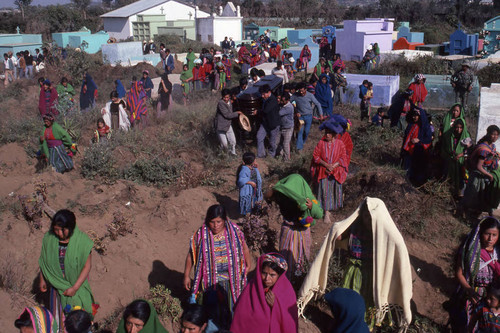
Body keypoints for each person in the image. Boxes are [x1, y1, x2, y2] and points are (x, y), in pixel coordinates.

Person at [297, 198, 413, 331]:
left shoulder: (381, 231)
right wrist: (338, 228)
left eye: (371, 217)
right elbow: (339, 237)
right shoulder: (355, 226)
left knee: (366, 300)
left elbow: (396, 243)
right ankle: (344, 323)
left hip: (369, 273)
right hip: (352, 269)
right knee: (349, 299)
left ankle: (364, 326)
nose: (368, 220)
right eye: (365, 216)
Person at [183, 205, 251, 330]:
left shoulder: (234, 231)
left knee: (233, 308)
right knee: (212, 311)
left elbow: (244, 247)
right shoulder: (201, 234)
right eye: (212, 222)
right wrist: (186, 275)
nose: (215, 225)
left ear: (224, 220)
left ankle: (233, 329)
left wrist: (248, 263)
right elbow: (191, 255)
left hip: (232, 279)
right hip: (210, 281)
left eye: (218, 222)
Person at [39, 210, 97, 331]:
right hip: (57, 286)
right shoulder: (49, 239)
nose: (59, 233)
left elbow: (87, 267)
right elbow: (44, 262)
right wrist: (42, 279)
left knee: (78, 322)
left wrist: (74, 288)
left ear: (71, 227)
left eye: (62, 230)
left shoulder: (82, 242)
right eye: (56, 229)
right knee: (59, 320)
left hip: (77, 285)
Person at [267, 174, 323, 279]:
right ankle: (289, 277)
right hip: (290, 228)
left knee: (298, 254)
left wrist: (311, 206)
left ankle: (296, 277)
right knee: (290, 254)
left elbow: (319, 214)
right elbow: (268, 195)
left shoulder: (306, 199)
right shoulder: (282, 195)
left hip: (298, 229)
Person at [231, 253, 298, 333]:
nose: (267, 278)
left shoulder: (287, 292)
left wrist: (276, 305)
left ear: (279, 275)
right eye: (264, 273)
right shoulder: (252, 288)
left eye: (272, 275)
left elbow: (290, 321)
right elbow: (240, 314)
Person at [454, 217, 500, 332]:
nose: (490, 238)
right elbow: (459, 273)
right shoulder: (469, 249)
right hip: (472, 295)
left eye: (494, 235)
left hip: (493, 299)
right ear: (480, 232)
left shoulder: (498, 253)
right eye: (487, 234)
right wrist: (469, 290)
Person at [462, 125, 500, 216]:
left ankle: (474, 216)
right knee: (473, 196)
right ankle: (464, 214)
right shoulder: (483, 149)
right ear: (488, 134)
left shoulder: (492, 146)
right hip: (479, 175)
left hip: (485, 174)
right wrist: (490, 175)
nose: (495, 137)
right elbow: (479, 166)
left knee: (480, 198)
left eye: (497, 135)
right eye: (493, 134)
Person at [311, 119, 348, 212]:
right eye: (326, 133)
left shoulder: (340, 144)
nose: (327, 135)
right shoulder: (321, 143)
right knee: (325, 189)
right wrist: (326, 165)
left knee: (334, 187)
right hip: (324, 169)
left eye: (329, 133)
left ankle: (335, 208)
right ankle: (326, 211)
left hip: (336, 169)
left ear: (334, 134)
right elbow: (316, 156)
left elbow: (343, 158)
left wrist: (333, 166)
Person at [440, 104, 470, 197]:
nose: (458, 129)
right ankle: (448, 193)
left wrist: (461, 155)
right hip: (450, 159)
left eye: (461, 128)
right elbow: (446, 146)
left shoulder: (465, 136)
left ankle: (459, 194)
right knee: (449, 176)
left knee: (461, 178)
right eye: (457, 127)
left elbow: (469, 149)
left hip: (460, 161)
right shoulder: (450, 137)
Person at [400, 108, 433, 186]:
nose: (414, 117)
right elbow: (406, 138)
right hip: (408, 150)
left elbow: (428, 138)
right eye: (413, 116)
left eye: (416, 116)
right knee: (407, 170)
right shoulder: (411, 125)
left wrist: (419, 140)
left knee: (418, 169)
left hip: (419, 151)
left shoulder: (425, 126)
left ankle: (417, 185)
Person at [292, 82, 323, 151]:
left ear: (306, 89)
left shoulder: (310, 95)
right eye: (300, 91)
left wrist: (320, 114)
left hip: (308, 116)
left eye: (303, 91)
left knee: (306, 131)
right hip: (300, 117)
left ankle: (302, 142)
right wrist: (296, 111)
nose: (301, 92)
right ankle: (299, 148)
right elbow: (291, 102)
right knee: (300, 131)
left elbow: (318, 104)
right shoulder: (295, 95)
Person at [255, 84, 280, 158]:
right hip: (265, 123)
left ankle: (271, 155)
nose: (262, 96)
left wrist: (257, 112)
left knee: (272, 142)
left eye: (263, 94)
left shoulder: (273, 100)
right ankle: (261, 154)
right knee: (259, 137)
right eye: (261, 94)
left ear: (269, 92)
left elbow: (266, 110)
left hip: (273, 124)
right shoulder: (265, 99)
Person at [215, 89, 242, 156]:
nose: (226, 99)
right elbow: (227, 115)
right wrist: (237, 113)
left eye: (227, 97)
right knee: (224, 144)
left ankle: (233, 153)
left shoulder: (229, 101)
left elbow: (231, 101)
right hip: (221, 126)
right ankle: (222, 154)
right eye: (224, 97)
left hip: (228, 124)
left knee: (233, 141)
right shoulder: (221, 103)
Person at [277, 92, 294, 161]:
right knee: (280, 143)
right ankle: (281, 156)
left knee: (285, 144)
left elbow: (279, 113)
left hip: (288, 128)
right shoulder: (283, 105)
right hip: (282, 126)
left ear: (287, 100)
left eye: (283, 101)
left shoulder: (289, 107)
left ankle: (287, 159)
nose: (282, 102)